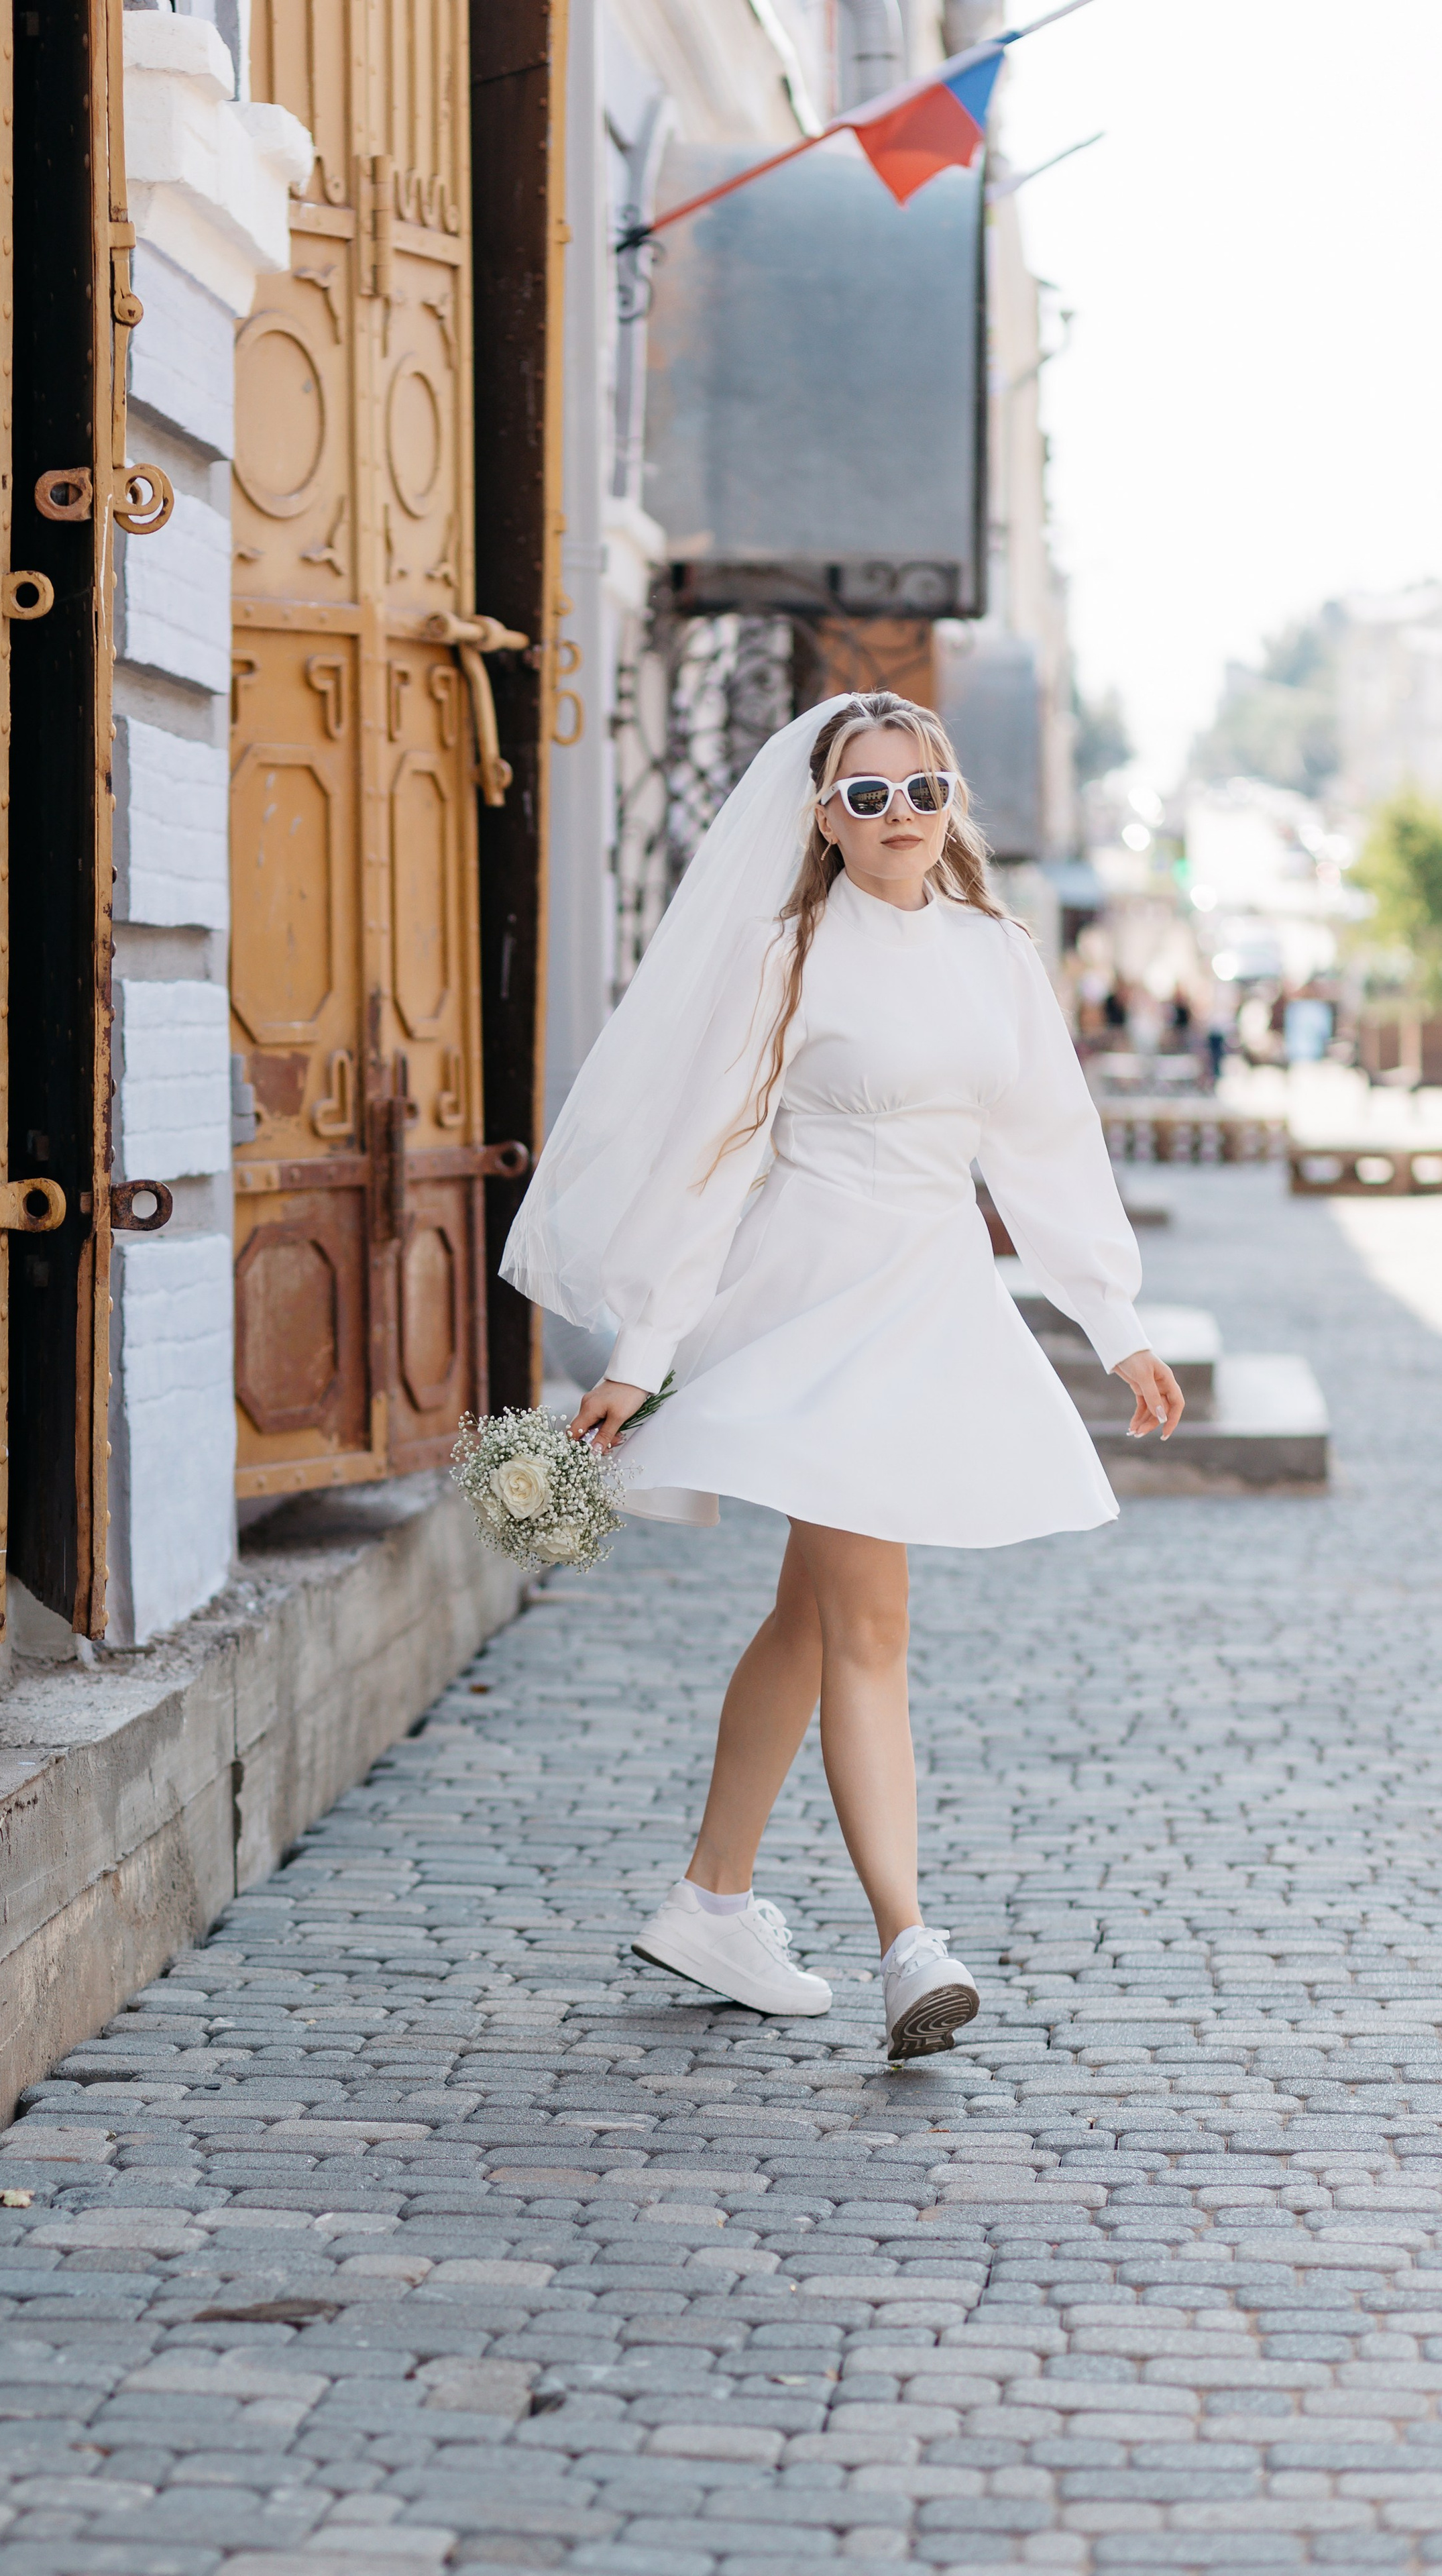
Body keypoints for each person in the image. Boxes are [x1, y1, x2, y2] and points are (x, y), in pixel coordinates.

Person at [503, 694, 1183, 2060]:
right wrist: (641, 1357)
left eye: (921, 789)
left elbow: (1046, 1145)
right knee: (869, 1622)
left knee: (810, 1621)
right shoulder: (788, 952)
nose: (898, 817)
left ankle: (711, 1901)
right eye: (866, 797)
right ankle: (906, 1943)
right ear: (823, 817)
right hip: (810, 1308)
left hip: (931, 1302)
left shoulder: (996, 953)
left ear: (951, 800)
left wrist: (1113, 1321)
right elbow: (712, 1161)